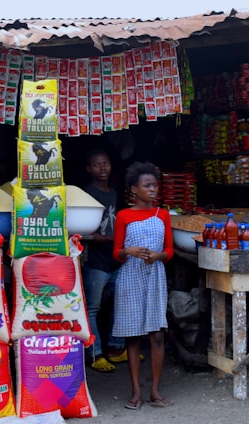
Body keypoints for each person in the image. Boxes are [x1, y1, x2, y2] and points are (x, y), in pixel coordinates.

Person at [112, 161, 174, 410]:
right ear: (134, 189)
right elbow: (115, 253)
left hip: (155, 276)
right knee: (133, 337)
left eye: (154, 185)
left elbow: (170, 250)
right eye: (147, 186)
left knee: (157, 335)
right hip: (130, 277)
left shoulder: (163, 214)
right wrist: (128, 250)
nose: (153, 189)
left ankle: (155, 391)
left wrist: (158, 256)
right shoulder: (123, 216)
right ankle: (136, 391)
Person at [81, 148, 122, 373]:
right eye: (97, 164)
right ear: (89, 169)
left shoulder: (113, 192)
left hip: (115, 259)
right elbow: (86, 232)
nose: (103, 168)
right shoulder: (87, 194)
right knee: (92, 309)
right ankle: (95, 354)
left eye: (105, 163)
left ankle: (116, 347)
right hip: (96, 261)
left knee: (121, 303)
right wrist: (110, 239)